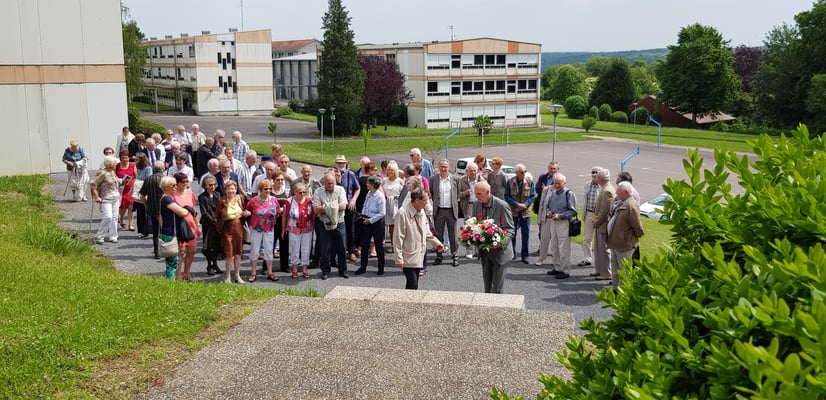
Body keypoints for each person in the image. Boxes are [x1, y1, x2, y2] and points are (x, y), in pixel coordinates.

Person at [393, 189, 443, 290]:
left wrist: (437, 243)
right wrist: (398, 258)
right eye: (425, 200)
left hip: (419, 253)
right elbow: (398, 237)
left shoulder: (421, 210)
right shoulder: (402, 213)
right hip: (408, 254)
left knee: (413, 283)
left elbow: (427, 232)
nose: (427, 203)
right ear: (416, 200)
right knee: (413, 284)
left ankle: (410, 299)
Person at [472, 181, 515, 293]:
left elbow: (510, 230)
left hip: (500, 253)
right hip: (485, 252)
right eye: (475, 193)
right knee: (487, 289)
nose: (476, 196)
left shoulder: (502, 206)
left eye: (479, 194)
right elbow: (475, 225)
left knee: (497, 290)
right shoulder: (476, 204)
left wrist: (499, 243)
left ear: (488, 192)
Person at [538, 174, 578, 279]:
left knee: (564, 248)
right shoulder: (553, 193)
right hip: (553, 221)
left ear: (564, 183)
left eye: (559, 183)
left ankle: (565, 270)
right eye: (555, 183)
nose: (557, 185)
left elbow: (573, 211)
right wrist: (548, 212)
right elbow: (548, 206)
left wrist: (560, 215)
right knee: (554, 246)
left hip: (563, 223)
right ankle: (557, 267)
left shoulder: (569, 193)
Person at [607, 182, 644, 291]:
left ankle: (623, 292)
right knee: (615, 268)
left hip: (624, 244)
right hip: (615, 243)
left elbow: (637, 226)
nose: (616, 192)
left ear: (625, 192)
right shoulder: (622, 203)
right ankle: (615, 289)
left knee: (624, 270)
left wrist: (632, 238)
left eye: (618, 191)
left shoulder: (631, 206)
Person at [313, 172, 349, 280]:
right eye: (328, 183)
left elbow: (343, 206)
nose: (330, 185)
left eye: (332, 183)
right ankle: (325, 271)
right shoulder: (318, 191)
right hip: (324, 222)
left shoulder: (340, 190)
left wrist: (325, 207)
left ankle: (343, 270)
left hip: (339, 222)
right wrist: (333, 207)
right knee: (325, 248)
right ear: (324, 182)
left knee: (342, 247)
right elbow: (316, 209)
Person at [158, 176, 193, 280]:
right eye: (173, 185)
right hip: (169, 233)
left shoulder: (169, 198)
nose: (176, 187)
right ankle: (170, 282)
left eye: (176, 185)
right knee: (172, 262)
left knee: (173, 261)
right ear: (166, 187)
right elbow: (182, 212)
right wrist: (187, 210)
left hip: (171, 231)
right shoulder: (166, 199)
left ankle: (171, 281)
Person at [216, 180, 251, 284]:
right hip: (227, 228)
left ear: (236, 189)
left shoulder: (240, 199)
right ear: (225, 190)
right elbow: (217, 217)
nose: (231, 191)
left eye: (233, 189)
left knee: (238, 253)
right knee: (229, 254)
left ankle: (237, 275)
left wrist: (248, 213)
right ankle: (227, 276)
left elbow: (248, 209)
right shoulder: (221, 201)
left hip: (239, 227)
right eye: (229, 189)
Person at [246, 179, 281, 282]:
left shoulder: (274, 199)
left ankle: (270, 272)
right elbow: (247, 210)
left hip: (269, 228)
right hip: (256, 228)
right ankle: (253, 272)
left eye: (270, 188)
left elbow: (278, 212)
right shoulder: (253, 200)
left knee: (269, 250)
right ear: (260, 189)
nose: (268, 190)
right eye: (266, 189)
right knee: (255, 250)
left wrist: (271, 220)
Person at [429, 159, 460, 267]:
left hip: (451, 210)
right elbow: (431, 193)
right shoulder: (433, 179)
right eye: (441, 167)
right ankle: (439, 256)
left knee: (453, 236)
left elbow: (458, 193)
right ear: (438, 167)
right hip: (439, 210)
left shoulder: (456, 179)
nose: (443, 169)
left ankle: (455, 256)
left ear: (449, 167)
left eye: (445, 167)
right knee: (438, 235)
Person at [504, 164, 536, 264]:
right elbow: (507, 196)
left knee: (525, 234)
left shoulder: (529, 182)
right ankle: (512, 254)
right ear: (517, 172)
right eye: (522, 172)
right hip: (514, 212)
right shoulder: (510, 182)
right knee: (512, 233)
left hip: (525, 213)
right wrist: (517, 204)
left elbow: (532, 196)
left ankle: (525, 256)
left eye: (525, 171)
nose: (524, 173)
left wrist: (524, 205)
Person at [90, 156, 124, 245]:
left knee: (115, 217)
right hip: (106, 198)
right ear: (110, 164)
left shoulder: (112, 172)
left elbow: (116, 181)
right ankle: (100, 236)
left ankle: (113, 236)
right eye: (115, 163)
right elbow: (93, 184)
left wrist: (123, 181)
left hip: (115, 197)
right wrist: (96, 197)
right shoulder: (102, 173)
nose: (116, 164)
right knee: (108, 217)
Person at [356, 176, 386, 275]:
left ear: (373, 185)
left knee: (378, 244)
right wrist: (363, 216)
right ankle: (363, 266)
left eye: (368, 183)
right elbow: (365, 205)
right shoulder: (369, 193)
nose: (366, 184)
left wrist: (370, 220)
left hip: (376, 222)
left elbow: (382, 213)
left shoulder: (380, 196)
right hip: (366, 220)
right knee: (364, 244)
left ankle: (381, 267)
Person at [283, 182, 314, 279]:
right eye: (300, 192)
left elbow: (313, 214)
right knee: (294, 248)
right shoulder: (289, 201)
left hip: (307, 229)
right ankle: (294, 267)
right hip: (294, 229)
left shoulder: (309, 201)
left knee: (306, 248)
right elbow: (285, 215)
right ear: (295, 192)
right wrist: (284, 229)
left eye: (304, 192)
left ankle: (304, 268)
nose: (302, 194)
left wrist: (313, 225)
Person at [173, 172, 200, 281]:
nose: (185, 184)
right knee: (181, 251)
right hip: (180, 226)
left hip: (191, 225)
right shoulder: (173, 195)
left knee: (192, 250)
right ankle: (178, 274)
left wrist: (198, 225)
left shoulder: (190, 193)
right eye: (183, 182)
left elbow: (194, 210)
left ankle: (187, 273)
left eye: (187, 181)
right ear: (177, 183)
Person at [334, 155, 361, 261]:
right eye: (339, 163)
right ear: (336, 163)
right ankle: (338, 252)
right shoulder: (332, 174)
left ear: (346, 163)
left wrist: (353, 200)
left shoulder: (351, 174)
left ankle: (351, 251)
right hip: (336, 206)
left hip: (349, 204)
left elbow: (357, 188)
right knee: (337, 229)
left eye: (343, 163)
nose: (341, 165)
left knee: (350, 229)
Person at [140, 160, 167, 258]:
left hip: (152, 207)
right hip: (165, 208)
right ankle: (166, 249)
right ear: (163, 168)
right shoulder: (165, 179)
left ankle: (157, 251)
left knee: (156, 231)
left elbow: (142, 196)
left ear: (153, 168)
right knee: (165, 229)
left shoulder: (148, 179)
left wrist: (146, 205)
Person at [592, 167, 615, 281]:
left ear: (600, 178)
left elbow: (604, 211)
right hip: (600, 224)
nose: (595, 178)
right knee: (598, 248)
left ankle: (606, 272)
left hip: (603, 224)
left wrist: (596, 222)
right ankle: (599, 269)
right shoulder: (604, 188)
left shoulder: (607, 191)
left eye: (597, 177)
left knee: (603, 249)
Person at [198, 175, 224, 275]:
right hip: (208, 224)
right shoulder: (202, 197)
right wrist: (213, 221)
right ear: (205, 186)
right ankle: (209, 265)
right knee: (208, 246)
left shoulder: (218, 194)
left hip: (217, 223)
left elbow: (221, 208)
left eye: (214, 184)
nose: (213, 186)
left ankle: (215, 264)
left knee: (217, 244)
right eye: (210, 185)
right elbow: (204, 212)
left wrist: (219, 220)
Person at [532, 161, 559, 253]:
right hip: (542, 207)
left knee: (553, 231)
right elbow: (537, 189)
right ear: (548, 168)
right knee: (542, 230)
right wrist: (547, 189)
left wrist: (546, 188)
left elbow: (558, 190)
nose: (552, 170)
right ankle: (542, 247)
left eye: (554, 168)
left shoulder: (559, 179)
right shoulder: (542, 177)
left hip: (554, 209)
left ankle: (553, 249)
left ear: (557, 169)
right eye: (551, 168)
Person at [579, 166, 602, 267]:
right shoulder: (587, 185)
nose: (594, 174)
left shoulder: (603, 186)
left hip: (599, 215)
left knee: (600, 239)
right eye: (592, 172)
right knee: (587, 238)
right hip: (589, 213)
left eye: (596, 172)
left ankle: (601, 260)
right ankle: (587, 258)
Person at [458, 162, 482, 259]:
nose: (473, 173)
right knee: (468, 228)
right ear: (467, 171)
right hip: (468, 206)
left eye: (475, 171)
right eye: (471, 171)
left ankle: (478, 250)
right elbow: (457, 194)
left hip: (479, 206)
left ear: (477, 171)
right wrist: (465, 193)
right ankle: (469, 251)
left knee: (479, 228)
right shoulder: (462, 180)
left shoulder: (481, 180)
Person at [381, 161, 403, 253]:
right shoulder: (384, 181)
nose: (390, 172)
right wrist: (385, 195)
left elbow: (404, 193)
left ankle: (400, 245)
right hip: (388, 205)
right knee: (391, 226)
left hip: (397, 205)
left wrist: (397, 196)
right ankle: (393, 244)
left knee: (399, 226)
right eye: (389, 170)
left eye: (392, 170)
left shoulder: (400, 181)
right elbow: (381, 191)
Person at [115, 150, 137, 231]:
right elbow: (114, 176)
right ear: (120, 158)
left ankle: (130, 224)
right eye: (123, 158)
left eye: (126, 158)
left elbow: (136, 177)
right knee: (122, 207)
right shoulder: (117, 166)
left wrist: (134, 186)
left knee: (131, 206)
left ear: (129, 158)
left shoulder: (132, 166)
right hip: (121, 189)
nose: (125, 159)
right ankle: (121, 218)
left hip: (130, 190)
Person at [134, 153, 152, 238]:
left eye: (137, 159)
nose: (135, 161)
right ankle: (142, 231)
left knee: (145, 212)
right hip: (137, 191)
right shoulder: (138, 168)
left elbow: (148, 180)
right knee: (139, 212)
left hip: (144, 192)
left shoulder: (148, 168)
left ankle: (147, 230)